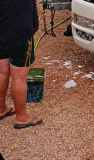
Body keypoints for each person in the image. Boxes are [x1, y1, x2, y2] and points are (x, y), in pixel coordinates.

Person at [0, 0, 43, 129]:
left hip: (2, 26)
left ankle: (1, 108)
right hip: (20, 31)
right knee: (19, 76)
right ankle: (22, 117)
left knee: (2, 71)